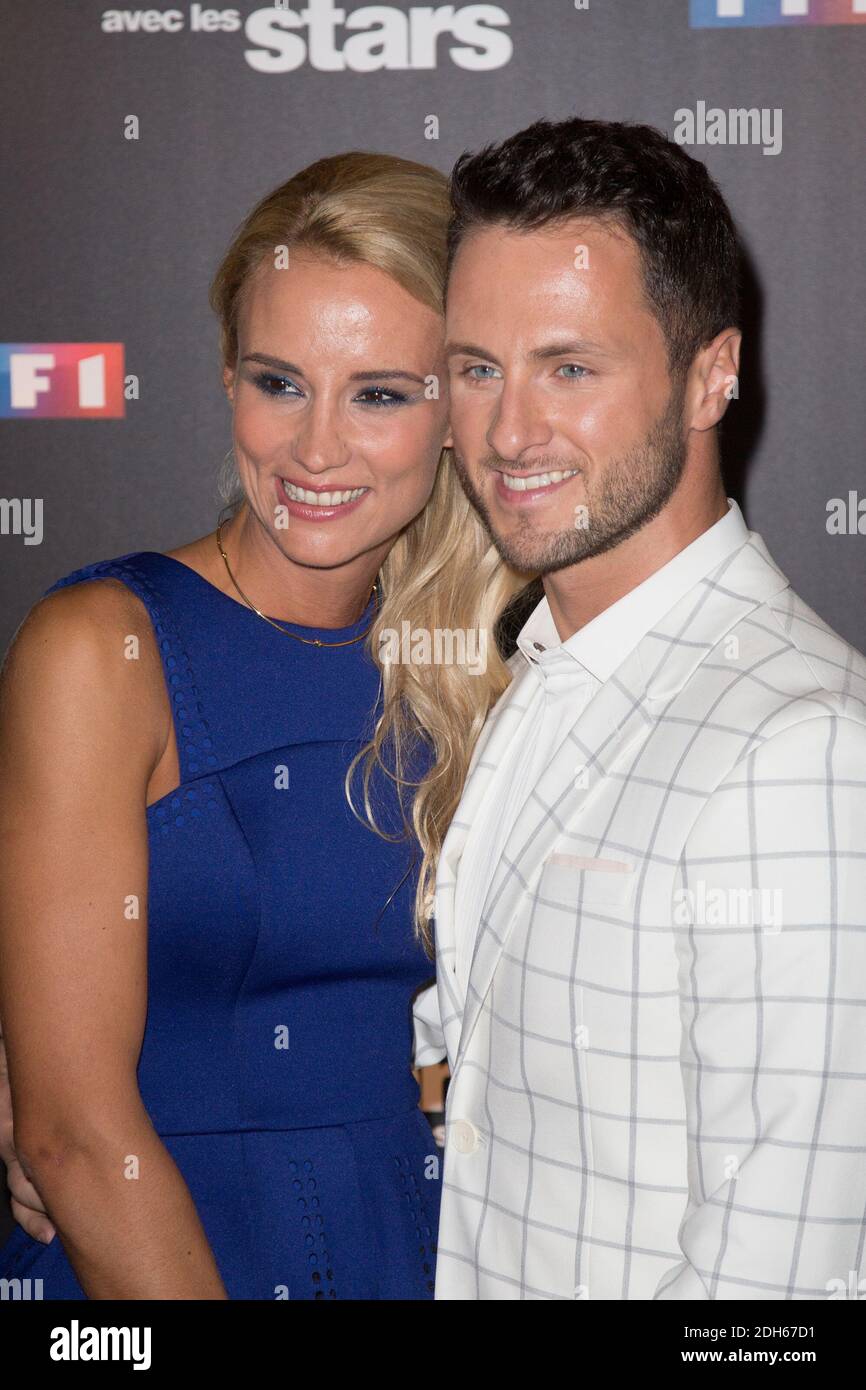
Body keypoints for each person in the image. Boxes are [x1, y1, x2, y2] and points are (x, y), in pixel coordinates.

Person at [0, 151, 525, 1299]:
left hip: (415, 1249)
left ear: (456, 409)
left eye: (380, 392)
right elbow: (72, 1134)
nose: (316, 449)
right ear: (227, 376)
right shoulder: (104, 649)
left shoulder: (479, 674)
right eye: (278, 381)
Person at [413, 116, 866, 1300]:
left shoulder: (795, 750)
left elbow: (775, 1294)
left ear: (710, 374)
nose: (507, 433)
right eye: (475, 369)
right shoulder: (550, 669)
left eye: (568, 367)